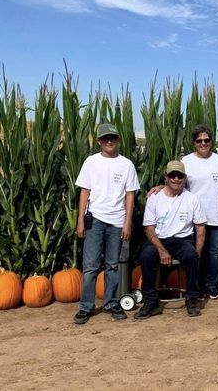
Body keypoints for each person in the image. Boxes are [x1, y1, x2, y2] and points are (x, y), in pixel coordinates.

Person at [74, 123, 139, 325]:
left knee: (112, 265)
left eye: (113, 137)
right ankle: (86, 306)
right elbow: (84, 191)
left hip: (117, 221)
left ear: (118, 139)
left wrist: (127, 222)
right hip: (95, 219)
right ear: (100, 141)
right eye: (105, 138)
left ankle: (111, 302)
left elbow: (130, 195)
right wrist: (80, 220)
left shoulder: (126, 164)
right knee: (91, 266)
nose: (109, 141)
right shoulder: (91, 162)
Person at [136, 161, 207, 319]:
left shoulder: (192, 199)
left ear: (184, 178)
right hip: (158, 239)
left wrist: (198, 252)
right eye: (172, 175)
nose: (176, 179)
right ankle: (150, 302)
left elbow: (200, 228)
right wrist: (162, 250)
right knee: (146, 256)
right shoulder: (154, 198)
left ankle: (192, 299)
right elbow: (149, 228)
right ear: (166, 177)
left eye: (179, 176)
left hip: (183, 240)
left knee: (191, 256)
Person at [182, 125, 218, 299]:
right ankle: (195, 287)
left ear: (211, 141)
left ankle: (212, 286)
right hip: (193, 218)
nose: (203, 143)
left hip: (217, 215)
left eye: (207, 140)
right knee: (196, 252)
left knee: (213, 253)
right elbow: (174, 184)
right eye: (199, 141)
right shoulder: (186, 162)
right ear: (194, 142)